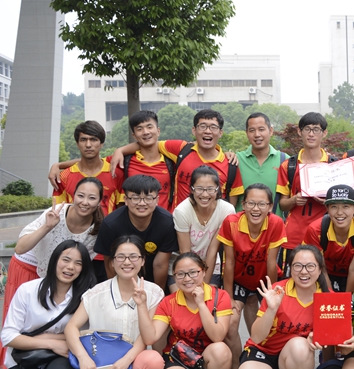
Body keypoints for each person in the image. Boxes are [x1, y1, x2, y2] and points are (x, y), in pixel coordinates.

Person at [0, 177, 103, 369]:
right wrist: (47, 226)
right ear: (73, 195)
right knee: (20, 326)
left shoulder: (97, 229)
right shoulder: (56, 213)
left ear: (100, 201)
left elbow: (79, 266)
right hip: (28, 268)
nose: (85, 202)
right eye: (81, 195)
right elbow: (20, 248)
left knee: (56, 322)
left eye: (92, 198)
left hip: (60, 278)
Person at [64, 235, 166, 369]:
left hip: (130, 364)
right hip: (98, 367)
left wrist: (125, 361)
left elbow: (147, 337)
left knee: (153, 359)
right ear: (111, 261)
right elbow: (71, 327)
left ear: (143, 260)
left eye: (133, 256)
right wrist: (83, 358)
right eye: (121, 257)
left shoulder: (154, 292)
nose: (127, 262)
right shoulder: (96, 293)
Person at [1, 240, 96, 369]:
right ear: (54, 261)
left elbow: (83, 334)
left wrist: (41, 337)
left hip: (60, 355)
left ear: (83, 268)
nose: (70, 267)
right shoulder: (28, 290)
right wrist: (51, 342)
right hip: (26, 355)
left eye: (78, 263)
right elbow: (8, 336)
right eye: (66, 260)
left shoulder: (84, 297)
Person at [235, 245, 329, 369]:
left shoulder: (326, 297)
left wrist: (317, 337)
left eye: (310, 266)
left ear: (320, 269)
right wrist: (271, 309)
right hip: (263, 351)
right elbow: (256, 337)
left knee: (300, 345)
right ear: (290, 268)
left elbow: (332, 335)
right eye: (298, 266)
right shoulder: (277, 291)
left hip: (292, 356)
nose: (304, 271)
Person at [136, 252, 233, 369]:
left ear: (204, 271)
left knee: (221, 349)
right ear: (174, 277)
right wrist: (141, 305)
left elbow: (218, 336)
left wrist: (201, 303)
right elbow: (151, 338)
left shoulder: (220, 296)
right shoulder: (168, 302)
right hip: (181, 357)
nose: (187, 278)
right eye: (180, 274)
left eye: (193, 272)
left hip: (210, 358)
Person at [217, 183, 286, 369]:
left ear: (270, 206)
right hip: (237, 278)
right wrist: (228, 298)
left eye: (262, 204)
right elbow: (228, 262)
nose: (256, 209)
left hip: (264, 279)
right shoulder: (231, 222)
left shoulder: (276, 222)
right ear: (243, 204)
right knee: (230, 323)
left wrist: (270, 294)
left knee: (267, 323)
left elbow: (271, 262)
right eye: (251, 203)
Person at [111, 109, 244, 208]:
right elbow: (149, 142)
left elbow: (230, 206)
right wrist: (120, 150)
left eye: (213, 127)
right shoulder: (181, 149)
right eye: (202, 126)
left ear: (220, 133)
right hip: (179, 224)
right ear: (194, 130)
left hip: (212, 228)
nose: (207, 131)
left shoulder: (230, 164)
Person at [94, 175, 179, 290]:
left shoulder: (167, 223)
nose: (142, 203)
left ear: (157, 200)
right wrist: (118, 292)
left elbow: (160, 265)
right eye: (135, 198)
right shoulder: (111, 224)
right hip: (121, 274)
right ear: (126, 200)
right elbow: (110, 263)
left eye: (148, 198)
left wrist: (157, 294)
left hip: (152, 277)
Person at [277, 112, 336, 261]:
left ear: (324, 133)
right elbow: (282, 204)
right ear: (299, 131)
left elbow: (344, 203)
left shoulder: (334, 165)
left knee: (324, 274)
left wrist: (329, 201)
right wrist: (294, 200)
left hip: (326, 233)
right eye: (307, 129)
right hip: (294, 235)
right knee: (293, 272)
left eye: (316, 129)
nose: (311, 134)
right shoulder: (288, 166)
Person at [302, 184, 354, 293]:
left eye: (346, 206)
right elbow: (321, 269)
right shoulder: (315, 230)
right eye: (334, 207)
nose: (339, 212)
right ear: (327, 208)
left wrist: (346, 298)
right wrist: (332, 297)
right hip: (327, 274)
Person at [173, 166, 235, 290]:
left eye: (210, 189)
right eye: (199, 189)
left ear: (218, 190)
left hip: (210, 264)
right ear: (191, 189)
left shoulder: (226, 210)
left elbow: (212, 251)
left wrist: (203, 286)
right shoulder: (182, 211)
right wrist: (192, 281)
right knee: (184, 298)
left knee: (209, 297)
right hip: (183, 266)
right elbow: (185, 252)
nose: (205, 194)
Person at [49, 120, 120, 216]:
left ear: (101, 144)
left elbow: (123, 209)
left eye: (93, 139)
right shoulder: (63, 177)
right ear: (77, 144)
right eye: (83, 140)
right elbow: (59, 212)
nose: (88, 145)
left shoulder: (116, 173)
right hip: (75, 226)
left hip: (108, 226)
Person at [236, 112, 287, 216]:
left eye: (261, 129)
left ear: (271, 131)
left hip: (274, 225)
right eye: (252, 130)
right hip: (242, 225)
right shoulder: (235, 160)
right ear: (247, 133)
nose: (257, 134)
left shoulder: (285, 161)